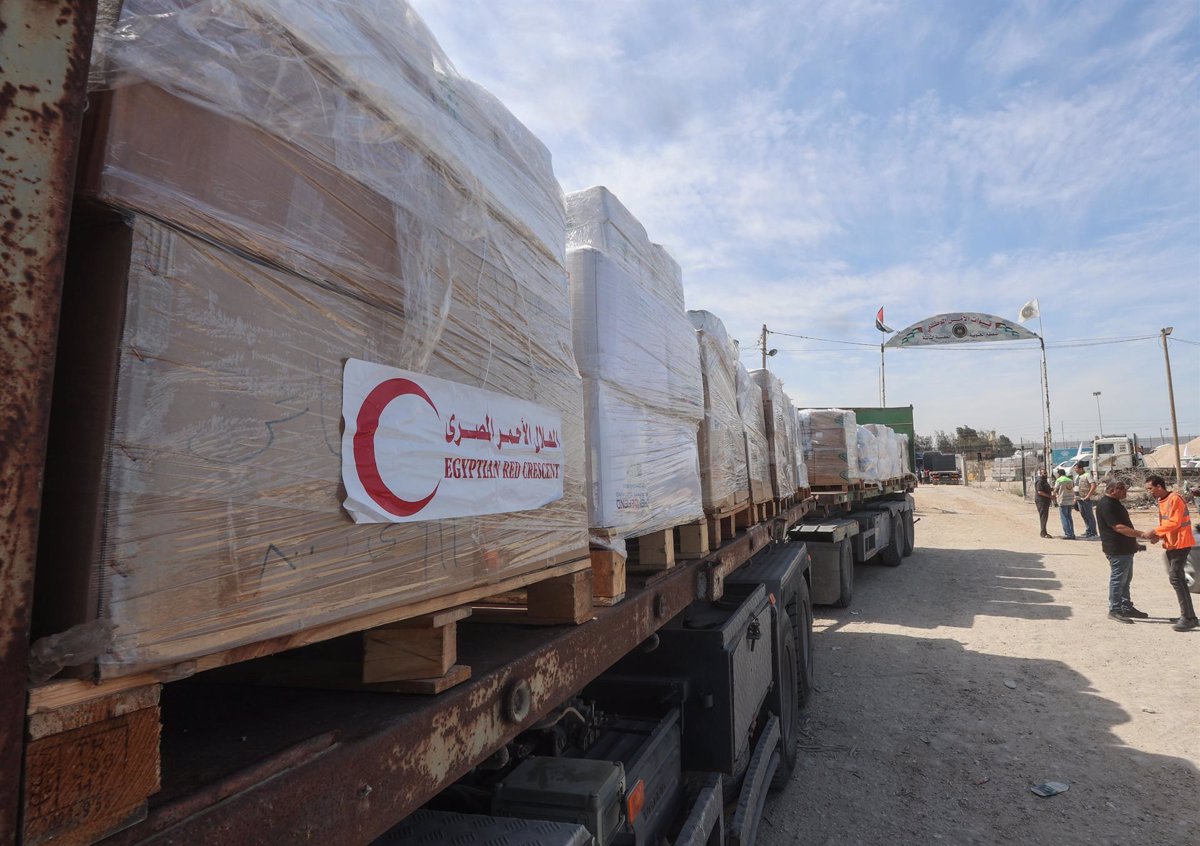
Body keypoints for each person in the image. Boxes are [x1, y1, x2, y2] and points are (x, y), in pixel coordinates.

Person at [1141, 475, 1198, 632]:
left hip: (1181, 543)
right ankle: (1189, 616)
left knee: (1175, 578)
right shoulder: (1162, 500)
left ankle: (1188, 618)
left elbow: (1175, 522)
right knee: (1178, 579)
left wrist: (1154, 531)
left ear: (1159, 486)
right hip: (1173, 544)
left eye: (1150, 488)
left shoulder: (1175, 499)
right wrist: (1158, 536)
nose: (1149, 492)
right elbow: (1166, 524)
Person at [1093, 479, 1149, 623]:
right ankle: (1115, 609)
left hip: (1125, 548)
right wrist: (1142, 534)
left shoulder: (1115, 503)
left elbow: (1124, 525)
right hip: (1117, 549)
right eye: (1122, 489)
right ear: (1113, 490)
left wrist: (1134, 543)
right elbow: (1118, 527)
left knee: (1125, 580)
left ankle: (1126, 606)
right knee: (1118, 580)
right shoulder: (1106, 505)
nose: (1125, 492)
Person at [1074, 462, 1098, 538]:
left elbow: (1093, 485)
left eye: (1076, 468)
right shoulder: (1077, 476)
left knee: (1089, 515)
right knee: (1083, 515)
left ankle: (1093, 532)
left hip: (1086, 499)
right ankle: (1088, 530)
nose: (1075, 470)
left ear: (1081, 468)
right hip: (1079, 499)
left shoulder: (1087, 475)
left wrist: (1088, 495)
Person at [1053, 468, 1076, 539]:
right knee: (1069, 517)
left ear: (1059, 474)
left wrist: (1054, 494)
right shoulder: (1070, 480)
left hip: (1063, 501)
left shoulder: (1059, 480)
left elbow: (1055, 490)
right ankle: (1072, 533)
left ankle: (1068, 534)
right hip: (1070, 500)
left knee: (1064, 518)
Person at [1034, 468, 1053, 538]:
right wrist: (1050, 496)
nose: (1046, 474)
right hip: (1041, 501)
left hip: (1045, 501)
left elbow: (1046, 489)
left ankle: (1044, 532)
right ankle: (1043, 533)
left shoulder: (1044, 481)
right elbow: (1040, 492)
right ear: (1040, 474)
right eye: (1044, 473)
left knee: (1045, 517)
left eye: (1046, 473)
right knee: (1043, 517)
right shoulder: (1039, 481)